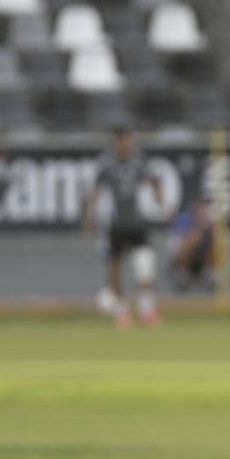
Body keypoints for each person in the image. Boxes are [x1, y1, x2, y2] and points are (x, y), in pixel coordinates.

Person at [82, 127, 162, 328]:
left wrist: (157, 196)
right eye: (124, 141)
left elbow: (154, 180)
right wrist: (90, 216)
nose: (128, 145)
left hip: (136, 221)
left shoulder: (139, 160)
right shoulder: (106, 163)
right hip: (115, 223)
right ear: (116, 142)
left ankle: (146, 309)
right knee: (115, 265)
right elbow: (94, 190)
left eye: (130, 141)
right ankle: (122, 310)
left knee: (144, 264)